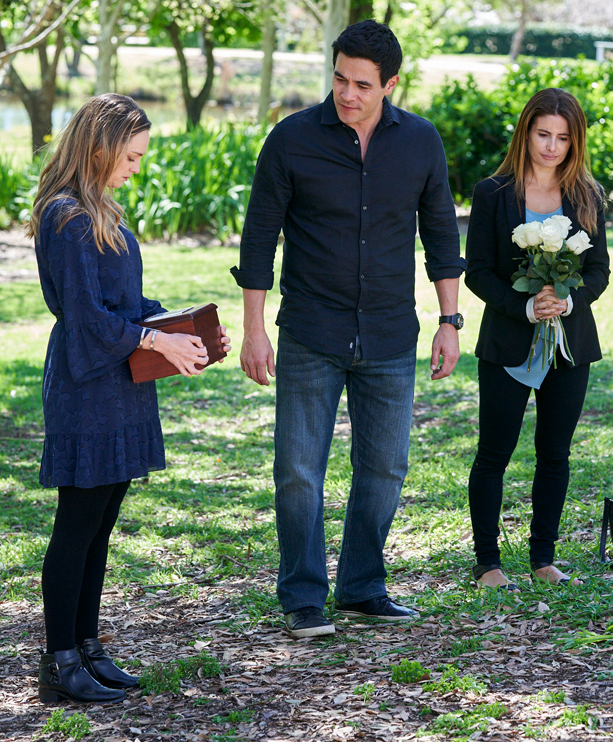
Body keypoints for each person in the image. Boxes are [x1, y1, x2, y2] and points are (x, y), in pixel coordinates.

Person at [231, 20, 465, 638]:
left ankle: (362, 588)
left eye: (362, 84)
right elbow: (258, 240)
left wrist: (449, 321)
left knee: (386, 469)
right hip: (311, 330)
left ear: (391, 84)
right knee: (298, 471)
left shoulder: (421, 142)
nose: (347, 93)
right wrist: (254, 330)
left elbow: (442, 236)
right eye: (339, 78)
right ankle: (303, 595)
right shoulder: (291, 139)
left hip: (390, 335)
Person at [28, 93, 230, 703]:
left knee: (100, 525)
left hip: (121, 385)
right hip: (87, 386)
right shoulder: (65, 217)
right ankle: (59, 659)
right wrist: (156, 341)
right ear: (100, 148)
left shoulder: (103, 213)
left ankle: (88, 647)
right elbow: (87, 317)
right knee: (77, 524)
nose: (136, 168)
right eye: (132, 156)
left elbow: (128, 305)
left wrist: (185, 332)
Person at [463, 88, 610, 590]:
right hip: (507, 342)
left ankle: (543, 559)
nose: (551, 147)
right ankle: (487, 564)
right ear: (525, 133)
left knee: (555, 454)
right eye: (543, 134)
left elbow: (599, 270)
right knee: (494, 454)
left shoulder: (588, 194)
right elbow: (477, 272)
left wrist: (568, 302)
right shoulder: (493, 193)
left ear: (575, 142)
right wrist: (524, 306)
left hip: (570, 347)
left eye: (562, 138)